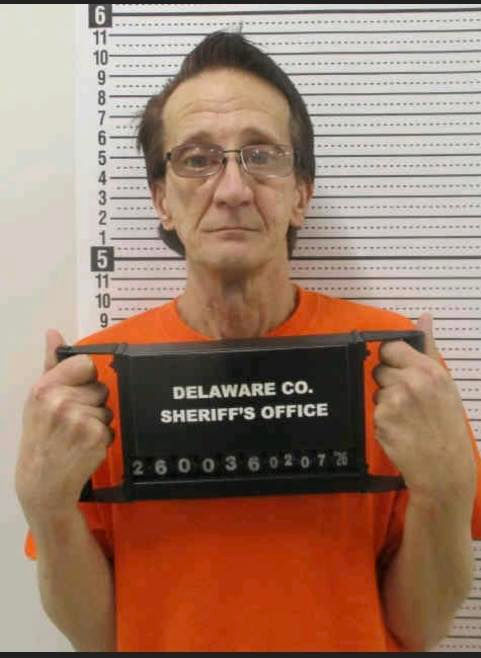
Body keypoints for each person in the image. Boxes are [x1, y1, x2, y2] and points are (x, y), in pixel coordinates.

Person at [16, 31, 481, 652]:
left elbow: (419, 626)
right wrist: (47, 508)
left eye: (261, 155)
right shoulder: (92, 389)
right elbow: (101, 638)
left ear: (300, 195)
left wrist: (446, 489)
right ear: (161, 200)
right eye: (196, 159)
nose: (232, 190)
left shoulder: (396, 372)